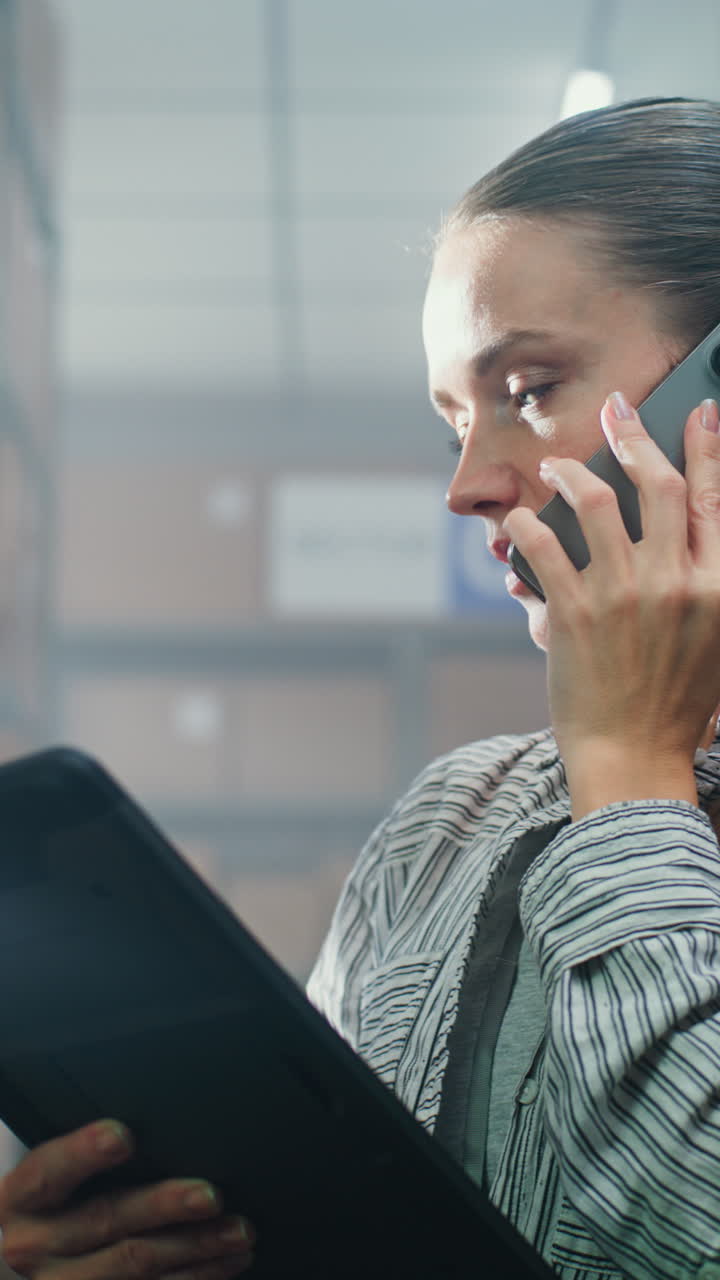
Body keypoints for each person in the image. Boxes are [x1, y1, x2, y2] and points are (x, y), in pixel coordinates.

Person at [3, 94, 720, 1280]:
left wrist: (633, 775)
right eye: (454, 426)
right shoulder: (450, 821)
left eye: (529, 387)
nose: (471, 484)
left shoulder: (607, 778)